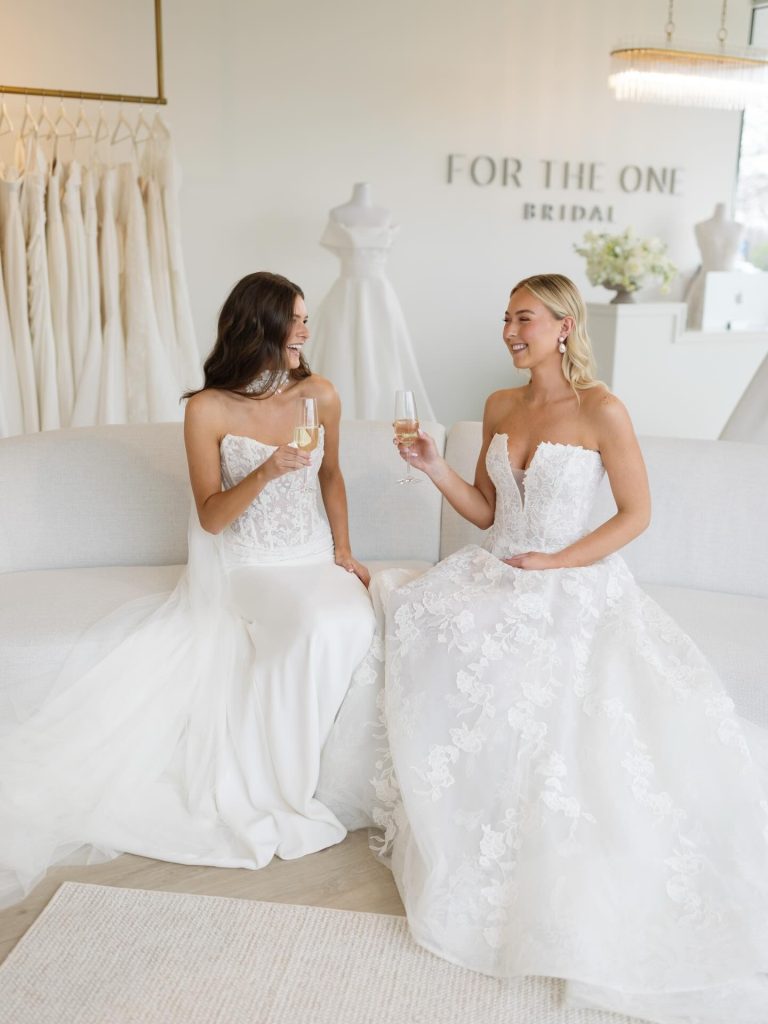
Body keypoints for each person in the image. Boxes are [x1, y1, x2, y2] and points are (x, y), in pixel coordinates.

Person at [322, 274, 768, 1023]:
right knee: (421, 620)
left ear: (564, 326)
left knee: (546, 676)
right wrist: (434, 466)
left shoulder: (602, 409)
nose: (509, 330)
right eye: (505, 318)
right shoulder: (500, 406)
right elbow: (487, 511)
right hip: (499, 568)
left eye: (523, 318)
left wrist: (559, 565)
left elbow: (636, 514)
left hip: (571, 579)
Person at [0, 271, 375, 909]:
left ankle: (307, 777)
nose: (308, 331)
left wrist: (343, 551)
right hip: (252, 567)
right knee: (312, 628)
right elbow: (211, 516)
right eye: (297, 319)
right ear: (260, 326)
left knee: (351, 621)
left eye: (307, 319)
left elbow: (333, 476)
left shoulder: (321, 394)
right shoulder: (207, 409)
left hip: (312, 557)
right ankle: (282, 792)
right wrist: (267, 467)